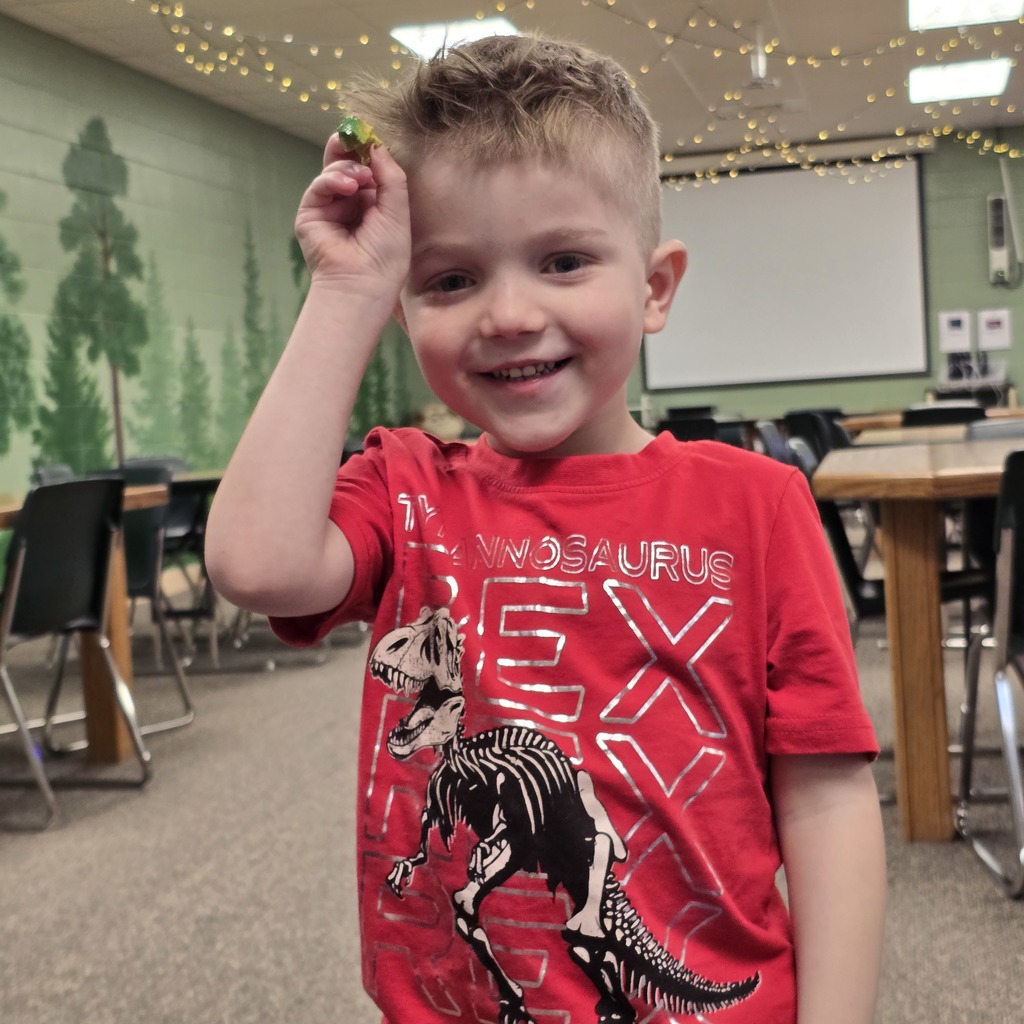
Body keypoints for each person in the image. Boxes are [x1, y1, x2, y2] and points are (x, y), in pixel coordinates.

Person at [205, 33, 886, 1024]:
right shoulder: (406, 489)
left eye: (563, 261)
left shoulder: (757, 504)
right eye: (449, 281)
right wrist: (349, 286)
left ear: (653, 286)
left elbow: (825, 799)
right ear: (405, 309)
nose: (509, 314)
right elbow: (255, 562)